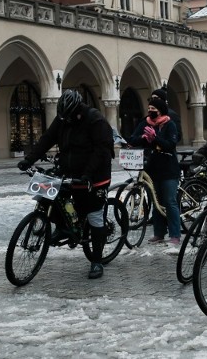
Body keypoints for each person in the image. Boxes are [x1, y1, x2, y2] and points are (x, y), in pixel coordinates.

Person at [17, 89, 113, 279]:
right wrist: (29, 160)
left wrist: (88, 174)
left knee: (94, 215)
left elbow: (102, 151)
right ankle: (64, 228)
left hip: (95, 175)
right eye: (63, 116)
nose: (66, 119)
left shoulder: (95, 120)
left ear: (77, 108)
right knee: (54, 199)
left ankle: (96, 261)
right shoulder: (63, 118)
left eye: (69, 116)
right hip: (69, 171)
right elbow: (47, 139)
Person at [128, 98, 181, 245]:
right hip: (152, 168)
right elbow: (132, 139)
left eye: (153, 108)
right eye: (149, 108)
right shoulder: (145, 123)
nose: (150, 111)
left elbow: (170, 145)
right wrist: (142, 137)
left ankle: (175, 234)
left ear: (161, 110)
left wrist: (155, 138)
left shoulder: (169, 124)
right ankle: (159, 233)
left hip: (168, 169)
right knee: (155, 202)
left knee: (170, 202)